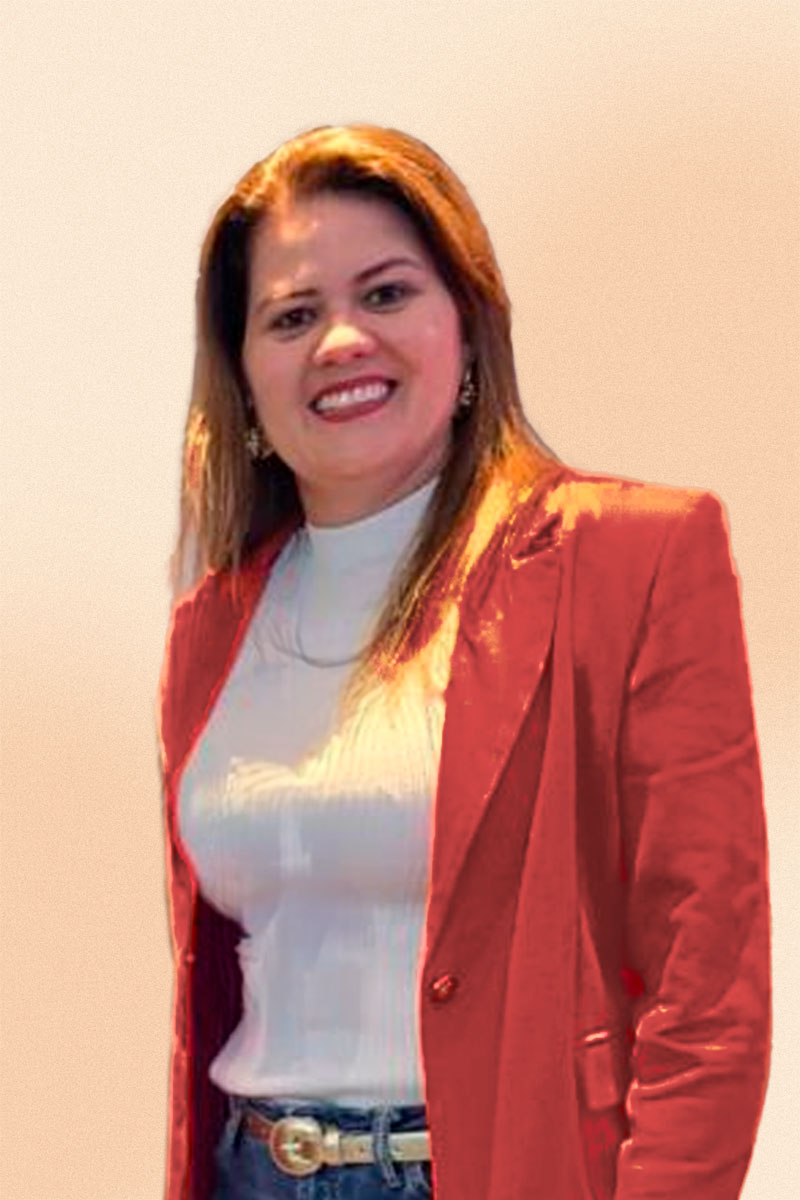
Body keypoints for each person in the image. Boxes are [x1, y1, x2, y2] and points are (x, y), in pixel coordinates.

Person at [156, 124, 771, 1200]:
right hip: (252, 1169)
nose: (341, 340)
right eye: (292, 316)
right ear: (243, 378)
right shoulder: (212, 624)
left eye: (386, 293)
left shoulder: (629, 560)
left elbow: (706, 984)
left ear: (469, 326)